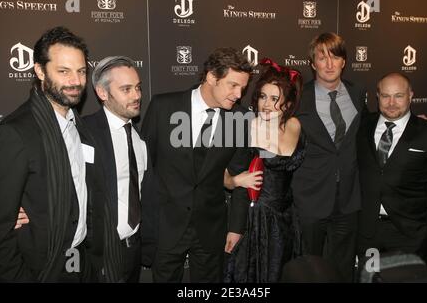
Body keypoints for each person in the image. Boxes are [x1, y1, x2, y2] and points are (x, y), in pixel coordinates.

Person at [0, 26, 103, 282]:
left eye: (81, 71)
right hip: (41, 270)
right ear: (39, 71)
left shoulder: (79, 126)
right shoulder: (17, 132)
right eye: (63, 71)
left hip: (79, 260)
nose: (75, 81)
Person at [140, 47, 253, 282]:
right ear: (212, 76)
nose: (238, 94)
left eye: (243, 87)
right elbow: (143, 166)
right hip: (167, 226)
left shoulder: (239, 119)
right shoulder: (163, 107)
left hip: (211, 228)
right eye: (233, 85)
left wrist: (236, 227)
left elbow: (241, 175)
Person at [291, 32, 367, 282]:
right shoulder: (299, 96)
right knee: (309, 266)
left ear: (344, 61)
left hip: (348, 198)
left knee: (343, 267)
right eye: (322, 58)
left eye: (335, 57)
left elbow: (369, 127)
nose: (330, 64)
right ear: (312, 63)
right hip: (310, 196)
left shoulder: (357, 93)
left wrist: (413, 122)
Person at [223, 58, 305, 282]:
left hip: (287, 218)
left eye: (275, 99)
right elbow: (217, 171)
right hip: (255, 220)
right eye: (262, 96)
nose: (266, 104)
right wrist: (235, 181)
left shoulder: (295, 125)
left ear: (288, 103)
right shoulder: (246, 126)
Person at [356, 72, 427, 269]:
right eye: (385, 96)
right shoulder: (362, 126)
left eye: (398, 95)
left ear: (411, 96)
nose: (391, 103)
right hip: (367, 233)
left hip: (411, 235)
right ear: (377, 96)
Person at [83, 56, 150, 282]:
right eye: (126, 89)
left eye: (138, 88)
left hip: (134, 249)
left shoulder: (139, 137)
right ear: (102, 93)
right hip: (99, 254)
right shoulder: (83, 133)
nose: (137, 95)